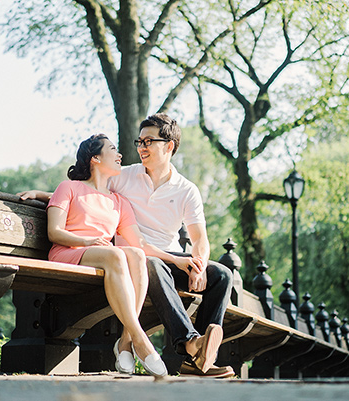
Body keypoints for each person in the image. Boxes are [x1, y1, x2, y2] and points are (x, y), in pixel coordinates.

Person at [20, 114, 234, 378]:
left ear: (169, 146)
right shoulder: (124, 176)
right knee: (151, 263)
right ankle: (189, 342)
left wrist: (199, 267)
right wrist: (43, 195)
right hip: (138, 258)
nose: (141, 147)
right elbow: (87, 192)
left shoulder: (186, 189)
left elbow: (199, 239)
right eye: (139, 141)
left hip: (169, 256)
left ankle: (201, 358)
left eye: (149, 141)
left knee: (222, 275)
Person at [46, 134, 199, 377]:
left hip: (103, 256)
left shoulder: (119, 202)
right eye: (112, 149)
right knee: (116, 255)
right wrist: (86, 241)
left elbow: (140, 243)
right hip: (68, 253)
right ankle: (140, 340)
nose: (120, 155)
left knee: (136, 255)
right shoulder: (69, 187)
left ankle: (126, 342)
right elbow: (54, 232)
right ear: (95, 158)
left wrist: (176, 259)